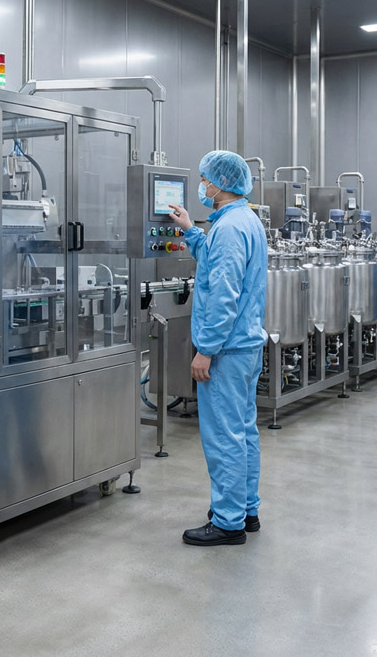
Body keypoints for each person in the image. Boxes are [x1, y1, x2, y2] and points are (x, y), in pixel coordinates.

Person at [168, 150, 268, 546]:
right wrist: (192, 231)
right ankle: (246, 507)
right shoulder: (244, 220)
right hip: (246, 345)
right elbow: (214, 263)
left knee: (224, 435)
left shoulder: (229, 229)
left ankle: (228, 522)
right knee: (243, 429)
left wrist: (205, 350)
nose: (203, 185)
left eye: (205, 179)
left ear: (221, 184)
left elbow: (224, 294)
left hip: (225, 350)